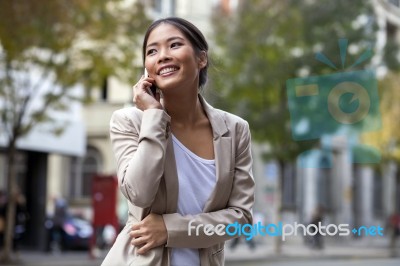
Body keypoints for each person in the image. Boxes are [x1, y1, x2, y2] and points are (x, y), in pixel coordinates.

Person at [101, 17, 255, 266]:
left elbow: (241, 219)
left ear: (201, 58)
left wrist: (170, 229)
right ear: (146, 68)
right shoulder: (129, 121)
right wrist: (153, 115)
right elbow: (139, 193)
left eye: (174, 45)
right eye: (152, 51)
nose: (162, 56)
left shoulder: (235, 130)